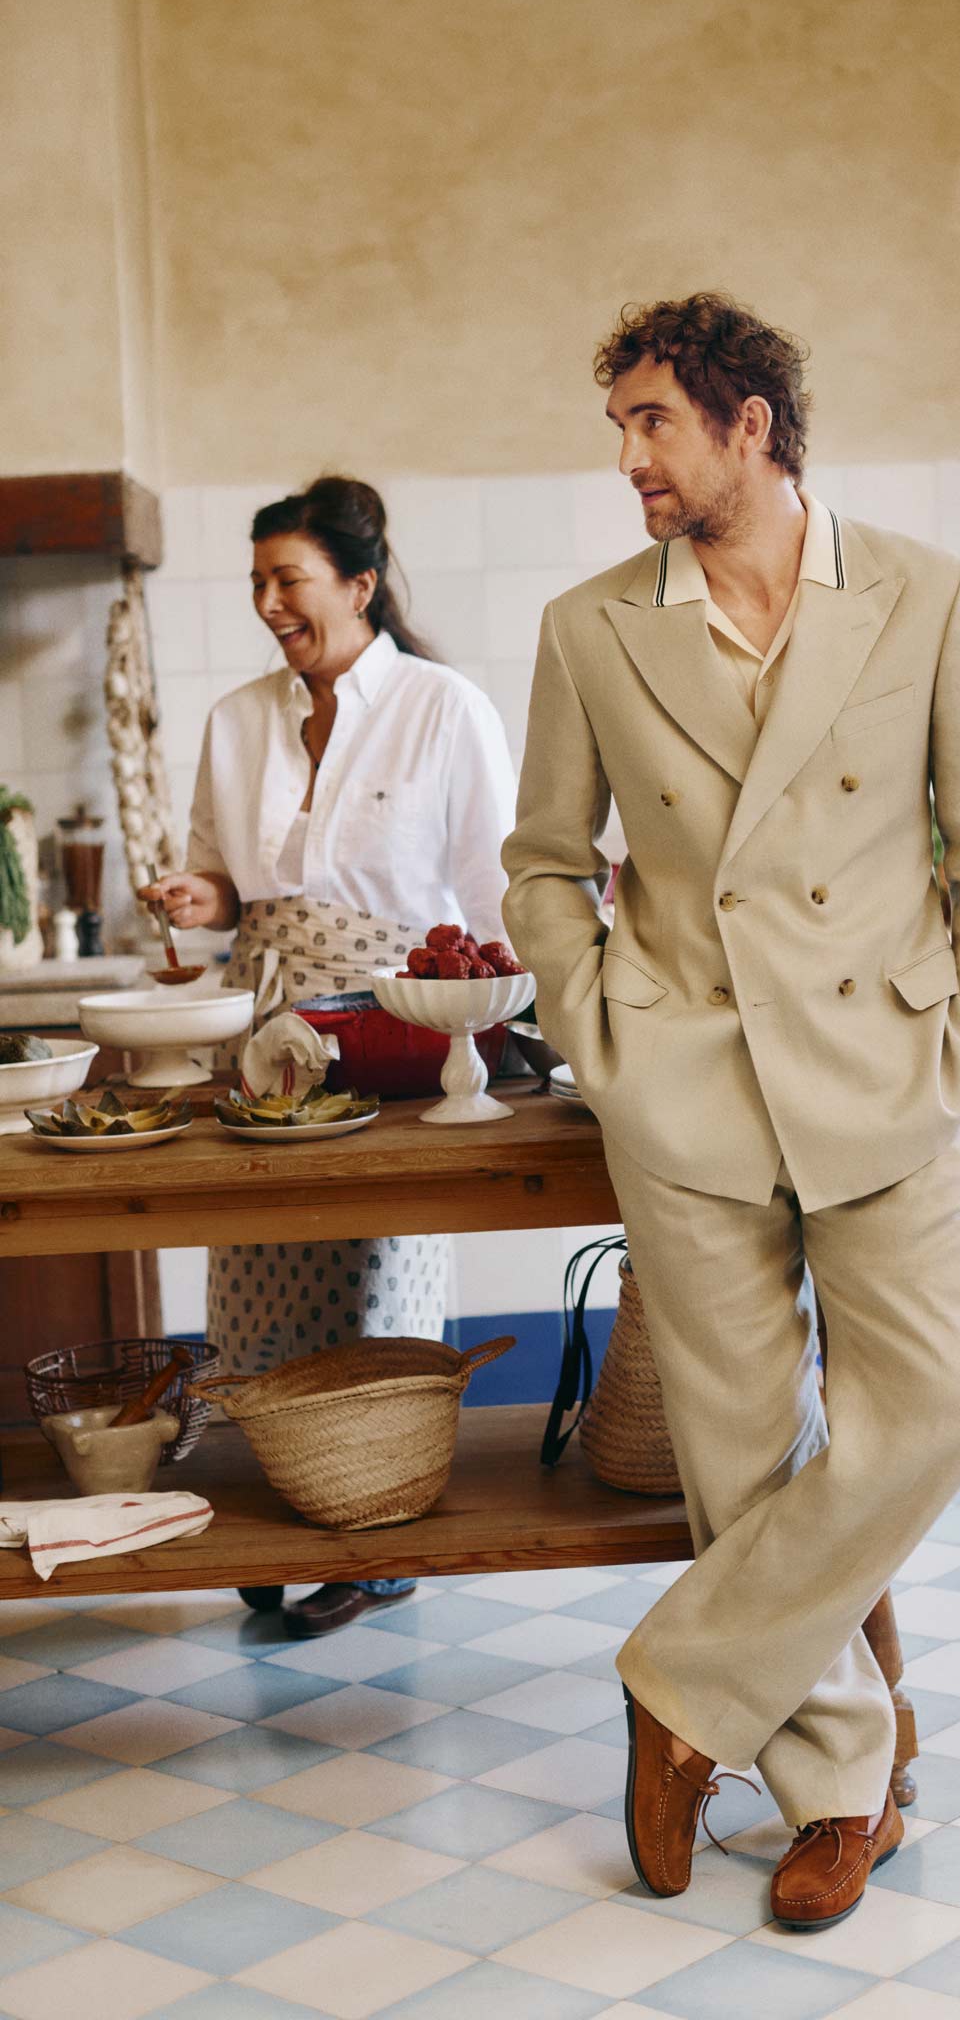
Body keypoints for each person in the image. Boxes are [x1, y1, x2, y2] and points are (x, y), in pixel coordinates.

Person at [502, 293, 960, 1931]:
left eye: (653, 421)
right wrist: (602, 1034)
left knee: (944, 1408)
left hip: (886, 1074)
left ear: (751, 424)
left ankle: (679, 1688)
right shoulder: (592, 628)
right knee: (742, 1463)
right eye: (620, 425)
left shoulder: (923, 593)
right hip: (688, 1089)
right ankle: (834, 1795)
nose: (628, 457)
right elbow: (545, 866)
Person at [144, 475, 515, 1637]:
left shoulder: (443, 708)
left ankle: (377, 1532)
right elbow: (224, 884)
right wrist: (197, 897)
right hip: (268, 1039)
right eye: (257, 581)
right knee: (257, 1274)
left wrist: (513, 1024)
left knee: (375, 1276)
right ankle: (277, 1512)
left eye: (288, 579)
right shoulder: (236, 719)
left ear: (360, 585)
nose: (268, 602)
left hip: (395, 1033)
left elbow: (494, 889)